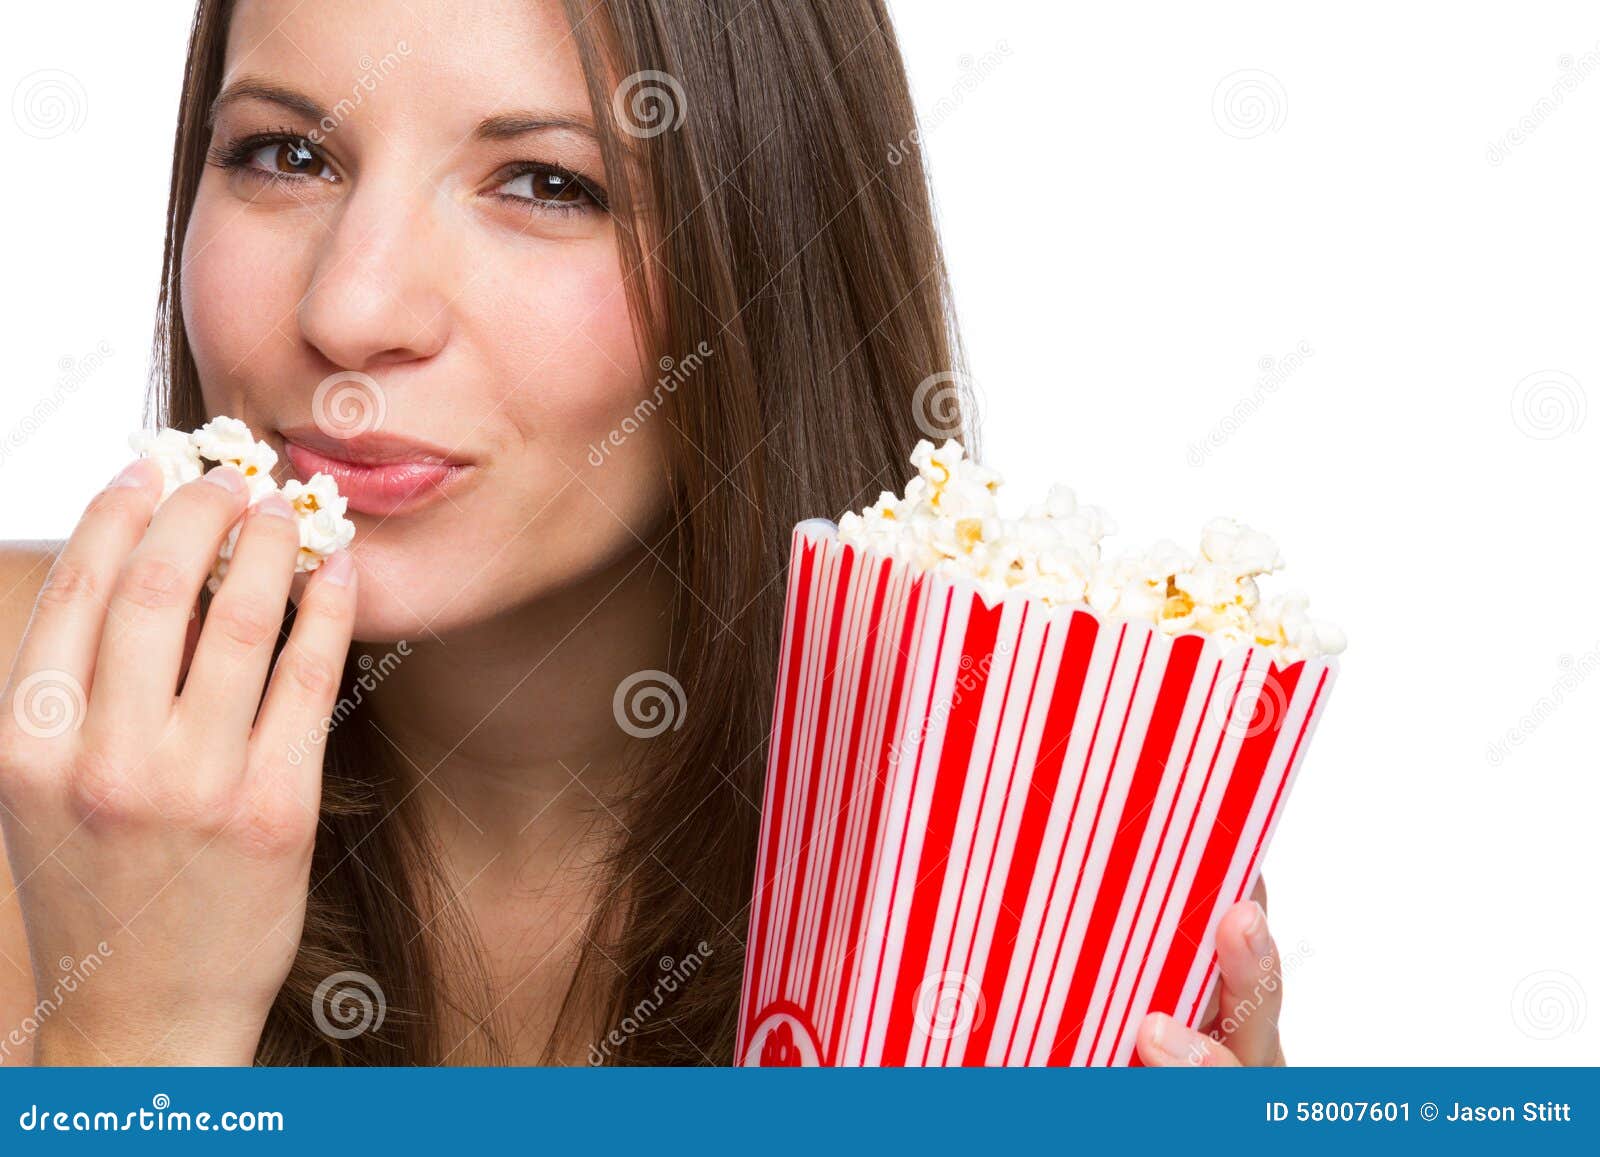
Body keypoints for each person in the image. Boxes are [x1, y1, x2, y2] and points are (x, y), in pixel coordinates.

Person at [0, 0, 1284, 1066]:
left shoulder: (1028, 846)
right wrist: (135, 1042)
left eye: (548, 183)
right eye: (287, 154)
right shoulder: (31, 721)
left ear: (770, 275)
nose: (351, 307)